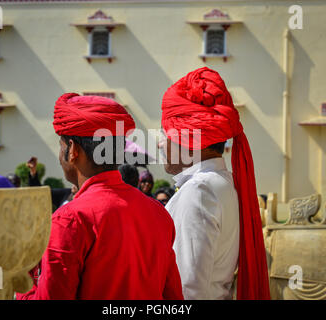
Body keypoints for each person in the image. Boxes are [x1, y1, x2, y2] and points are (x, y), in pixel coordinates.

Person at [16, 93, 183, 300]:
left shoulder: (69, 219)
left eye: (61, 145)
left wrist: (24, 281)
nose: (59, 156)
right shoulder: (158, 212)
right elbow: (174, 297)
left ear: (73, 150)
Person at [158, 67, 270, 300]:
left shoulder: (199, 191)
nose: (160, 144)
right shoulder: (222, 182)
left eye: (165, 134)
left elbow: (187, 289)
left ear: (188, 140)